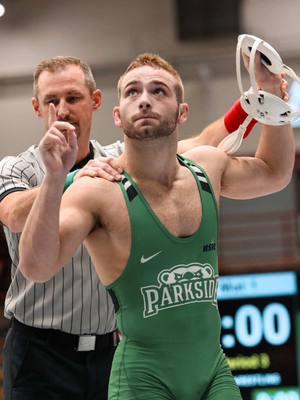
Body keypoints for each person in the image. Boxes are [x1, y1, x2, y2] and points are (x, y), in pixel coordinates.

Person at [18, 53, 294, 399]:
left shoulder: (207, 167)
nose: (144, 99)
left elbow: (274, 172)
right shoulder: (98, 189)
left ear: (183, 113)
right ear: (118, 116)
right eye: (132, 92)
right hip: (142, 380)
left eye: (159, 91)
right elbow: (36, 267)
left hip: (213, 373)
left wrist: (272, 95)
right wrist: (54, 179)